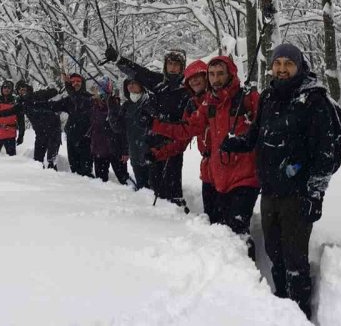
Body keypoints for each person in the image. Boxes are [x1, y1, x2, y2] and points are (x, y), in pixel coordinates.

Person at [221, 44, 341, 320]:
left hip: (297, 196)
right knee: (274, 253)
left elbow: (324, 155)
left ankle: (300, 313)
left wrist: (315, 195)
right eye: (277, 63)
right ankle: (280, 303)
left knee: (295, 260)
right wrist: (237, 143)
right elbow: (256, 135)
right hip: (269, 192)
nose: (281, 68)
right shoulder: (268, 96)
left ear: (299, 66)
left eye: (288, 64)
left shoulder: (313, 100)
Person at [151, 55, 259, 257]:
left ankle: (248, 278)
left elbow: (267, 128)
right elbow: (185, 132)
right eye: (212, 75)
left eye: (220, 74)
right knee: (217, 228)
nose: (215, 79)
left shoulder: (246, 98)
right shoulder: (206, 104)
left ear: (230, 74)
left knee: (237, 230)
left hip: (243, 174)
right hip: (214, 174)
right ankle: (225, 269)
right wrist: (155, 130)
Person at [106, 45, 191, 209]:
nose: (173, 68)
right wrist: (118, 60)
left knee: (172, 187)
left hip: (173, 145)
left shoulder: (187, 90)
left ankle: (178, 216)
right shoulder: (159, 83)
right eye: (170, 64)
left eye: (176, 65)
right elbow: (138, 72)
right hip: (153, 145)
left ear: (182, 67)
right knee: (155, 186)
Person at [149, 60, 213, 216]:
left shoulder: (216, 100)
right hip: (208, 167)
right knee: (213, 216)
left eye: (199, 76)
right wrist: (159, 153)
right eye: (191, 78)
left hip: (230, 165)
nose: (195, 81)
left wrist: (157, 125)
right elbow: (182, 138)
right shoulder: (192, 104)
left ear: (207, 78)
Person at [43, 73, 94, 176]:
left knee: (86, 171)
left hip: (86, 139)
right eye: (73, 82)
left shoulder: (89, 98)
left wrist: (68, 86)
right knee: (74, 170)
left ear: (82, 83)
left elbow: (79, 102)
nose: (75, 84)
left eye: (78, 81)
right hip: (71, 137)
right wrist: (34, 102)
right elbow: (53, 106)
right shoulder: (69, 99)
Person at [90, 77, 129, 184]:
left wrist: (125, 151)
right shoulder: (92, 106)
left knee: (124, 180)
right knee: (101, 182)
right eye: (99, 90)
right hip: (99, 150)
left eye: (105, 90)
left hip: (116, 151)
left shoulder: (116, 106)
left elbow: (122, 131)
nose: (101, 94)